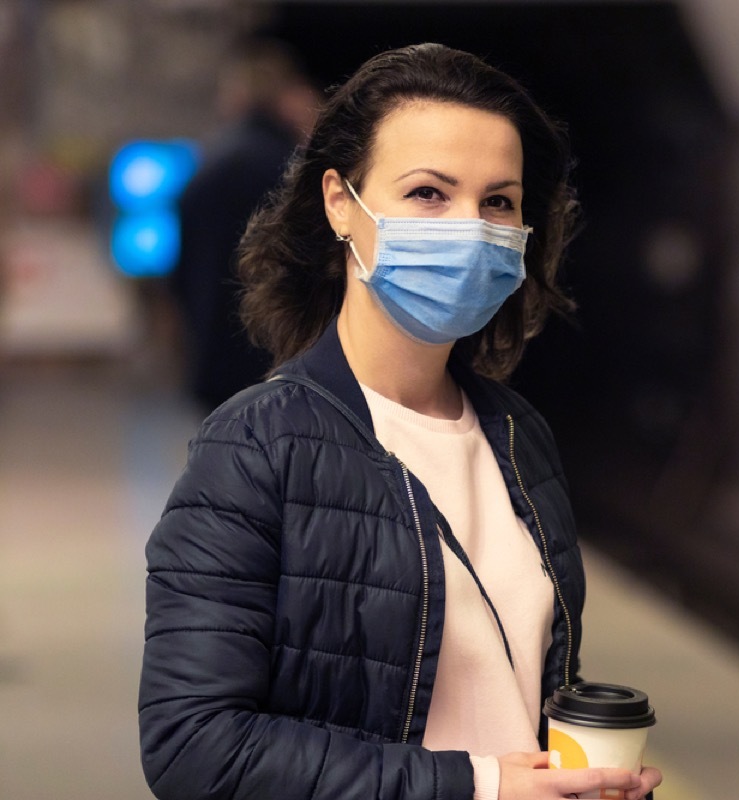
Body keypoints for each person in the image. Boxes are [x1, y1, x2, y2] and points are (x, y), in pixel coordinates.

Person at [138, 43, 663, 800]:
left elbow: (517, 693)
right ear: (339, 202)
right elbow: (193, 747)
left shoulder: (520, 439)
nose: (470, 228)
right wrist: (478, 786)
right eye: (427, 193)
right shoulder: (254, 448)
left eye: (499, 202)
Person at [169, 38, 321, 411]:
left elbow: (180, 270)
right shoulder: (293, 168)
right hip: (278, 352)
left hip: (213, 347)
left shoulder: (208, 164)